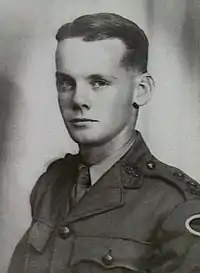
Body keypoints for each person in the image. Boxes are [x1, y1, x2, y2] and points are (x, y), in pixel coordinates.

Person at [8, 12, 200, 273]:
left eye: (98, 82)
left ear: (141, 90)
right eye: (66, 83)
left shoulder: (177, 205)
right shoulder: (50, 185)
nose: (78, 100)